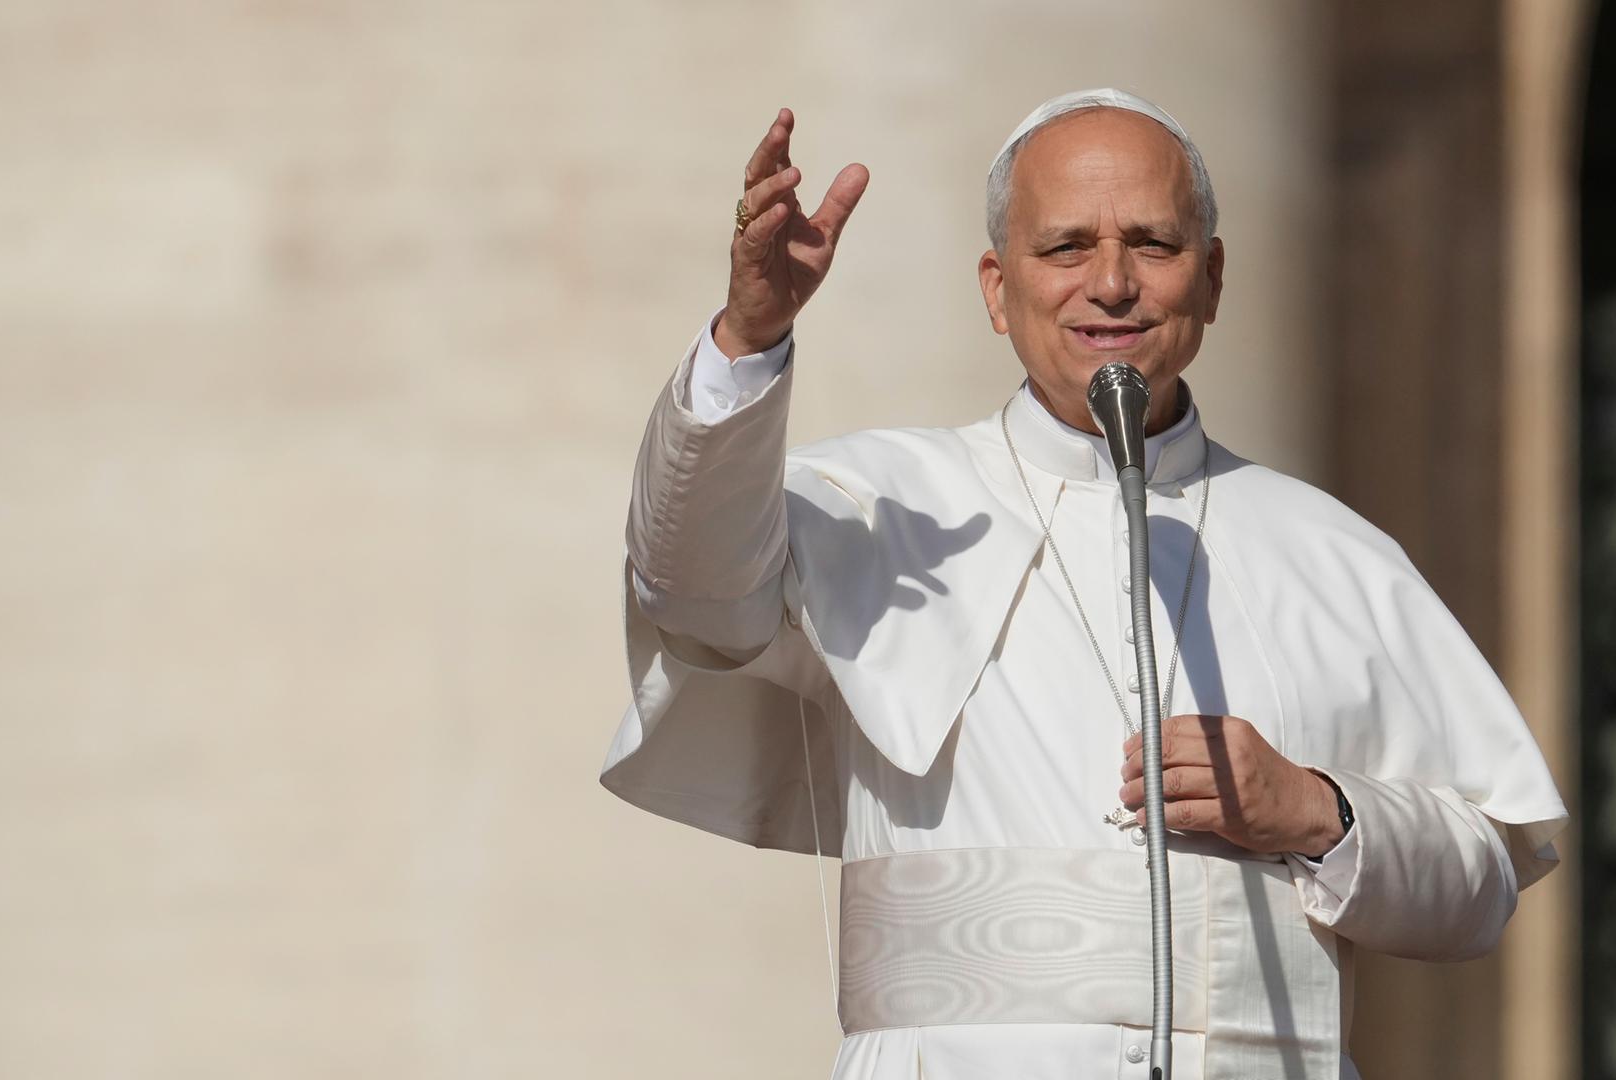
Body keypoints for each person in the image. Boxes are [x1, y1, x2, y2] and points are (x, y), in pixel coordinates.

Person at [602, 88, 1567, 1080]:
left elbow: (1481, 883)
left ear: (1215, 277)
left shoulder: (1329, 551)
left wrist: (1314, 810)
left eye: (1153, 244)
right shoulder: (880, 508)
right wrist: (747, 339)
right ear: (995, 287)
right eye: (1065, 248)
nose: (1111, 284)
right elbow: (692, 592)